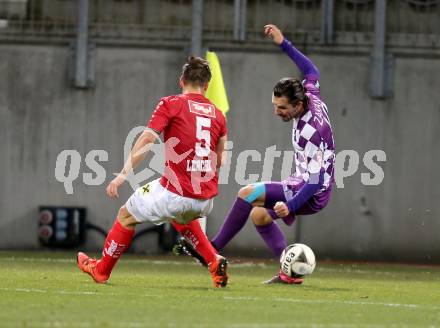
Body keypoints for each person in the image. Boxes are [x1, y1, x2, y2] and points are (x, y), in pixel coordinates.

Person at [177, 24, 335, 285]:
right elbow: (311, 71)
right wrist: (283, 43)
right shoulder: (311, 96)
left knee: (247, 193)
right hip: (302, 179)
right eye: (275, 105)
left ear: (297, 105)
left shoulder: (313, 131)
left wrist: (291, 205)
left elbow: (316, 182)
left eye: (282, 108)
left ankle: (212, 250)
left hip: (312, 190)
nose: (277, 112)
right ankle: (291, 274)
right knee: (259, 216)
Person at [77, 56, 229, 288]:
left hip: (175, 194)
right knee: (181, 216)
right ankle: (213, 261)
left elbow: (148, 139)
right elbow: (221, 160)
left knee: (125, 216)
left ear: (181, 81)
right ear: (206, 86)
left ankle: (101, 271)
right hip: (205, 200)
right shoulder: (219, 115)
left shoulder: (171, 103)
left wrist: (123, 174)